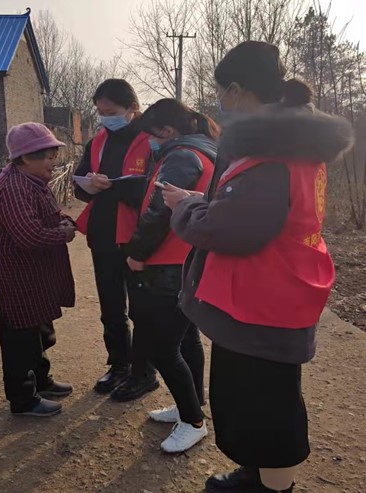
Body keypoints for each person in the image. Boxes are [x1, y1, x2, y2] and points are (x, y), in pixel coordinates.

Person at [162, 41, 354, 491]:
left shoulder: (271, 155)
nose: (221, 103)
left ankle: (273, 486)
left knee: (267, 404)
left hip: (264, 296)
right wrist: (204, 201)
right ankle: (255, 473)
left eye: (221, 93)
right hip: (275, 286)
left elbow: (232, 230)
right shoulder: (291, 145)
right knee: (252, 398)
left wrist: (185, 208)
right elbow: (251, 212)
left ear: (237, 90)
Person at [124, 99, 219, 452]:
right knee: (186, 338)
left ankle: (193, 421)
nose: (149, 142)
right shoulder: (206, 149)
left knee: (162, 347)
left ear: (166, 130)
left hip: (169, 261)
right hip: (189, 258)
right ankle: (190, 406)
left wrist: (137, 252)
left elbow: (158, 211)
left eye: (151, 135)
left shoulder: (181, 156)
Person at [74, 79, 159, 401]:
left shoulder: (152, 141)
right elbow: (79, 185)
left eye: (111, 112)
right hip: (103, 234)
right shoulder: (97, 141)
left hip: (138, 237)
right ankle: (119, 365)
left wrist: (115, 186)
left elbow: (155, 190)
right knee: (111, 307)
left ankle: (144, 372)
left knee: (142, 309)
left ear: (132, 108)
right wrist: (88, 185)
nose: (105, 118)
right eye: (100, 112)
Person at [0, 122, 77, 417]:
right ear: (26, 157)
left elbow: (51, 212)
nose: (54, 162)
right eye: (49, 157)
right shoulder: (13, 188)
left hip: (35, 276)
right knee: (20, 339)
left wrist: (65, 220)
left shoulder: (32, 181)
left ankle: (41, 380)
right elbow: (29, 235)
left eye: (54, 156)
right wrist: (63, 233)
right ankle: (23, 399)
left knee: (38, 332)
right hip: (18, 278)